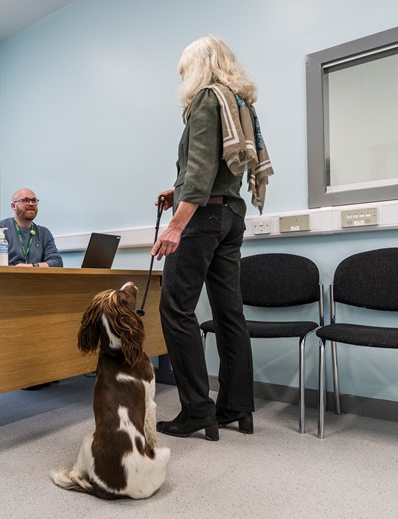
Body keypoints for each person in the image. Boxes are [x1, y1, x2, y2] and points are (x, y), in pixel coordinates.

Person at [151, 36, 273, 441]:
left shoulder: (207, 99)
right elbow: (218, 169)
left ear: (200, 66)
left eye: (184, 70)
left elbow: (201, 167)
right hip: (230, 217)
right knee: (229, 314)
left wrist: (176, 223)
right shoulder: (239, 103)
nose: (183, 78)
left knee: (175, 310)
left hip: (202, 219)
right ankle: (237, 408)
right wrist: (177, 187)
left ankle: (197, 411)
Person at [0, 188, 63, 268]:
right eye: (25, 200)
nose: (31, 204)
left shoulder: (44, 233)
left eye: (34, 201)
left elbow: (57, 262)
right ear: (13, 206)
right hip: (6, 278)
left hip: (34, 279)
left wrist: (32, 267)